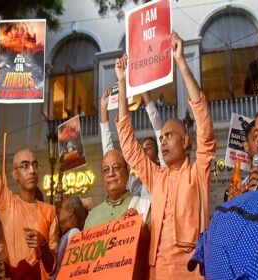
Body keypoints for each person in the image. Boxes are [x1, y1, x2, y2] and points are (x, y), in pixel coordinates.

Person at [115, 32, 216, 278]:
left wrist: (180, 61)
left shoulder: (198, 173)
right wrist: (122, 82)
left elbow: (204, 126)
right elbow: (128, 146)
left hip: (193, 268)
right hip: (157, 269)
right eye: (161, 138)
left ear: (185, 140)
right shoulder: (156, 177)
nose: (163, 141)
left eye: (168, 135)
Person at [0, 65, 58, 279]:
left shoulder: (49, 212)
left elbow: (53, 267)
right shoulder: (6, 202)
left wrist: (43, 246)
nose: (32, 170)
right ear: (14, 175)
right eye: (25, 165)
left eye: (35, 164)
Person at [100, 88, 165, 200]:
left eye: (148, 147)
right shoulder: (137, 186)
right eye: (142, 147)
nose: (143, 150)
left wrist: (144, 93)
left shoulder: (164, 173)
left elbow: (159, 133)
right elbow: (110, 157)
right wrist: (103, 108)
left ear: (159, 157)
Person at [83, 149, 150, 229]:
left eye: (116, 167)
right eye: (106, 170)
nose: (111, 173)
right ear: (102, 177)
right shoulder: (92, 216)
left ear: (127, 173)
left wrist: (139, 228)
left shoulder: (144, 205)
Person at [52, 196, 87, 280]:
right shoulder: (66, 234)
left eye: (62, 207)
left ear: (71, 211)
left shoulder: (74, 233)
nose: (58, 211)